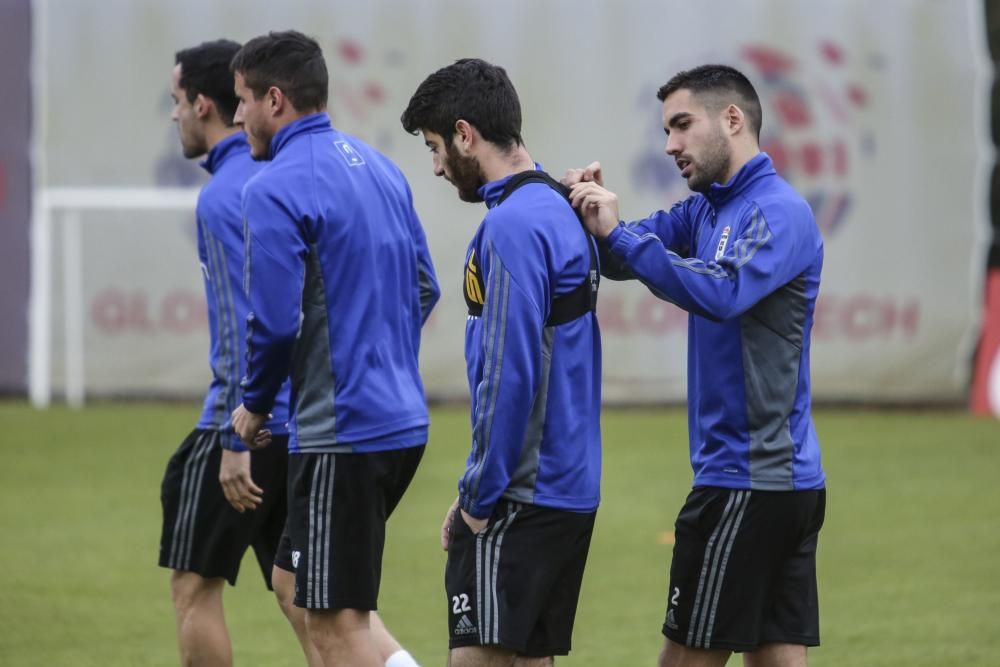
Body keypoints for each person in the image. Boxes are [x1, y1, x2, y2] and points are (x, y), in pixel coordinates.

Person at [566, 64, 826, 667]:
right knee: (775, 656)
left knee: (683, 658)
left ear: (732, 118)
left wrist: (621, 239)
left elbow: (722, 291)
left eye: (682, 125)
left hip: (747, 481)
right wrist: (580, 204)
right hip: (775, 483)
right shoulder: (704, 211)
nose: (669, 144)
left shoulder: (778, 212)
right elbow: (625, 251)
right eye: (666, 129)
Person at [229, 31, 439, 667]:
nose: (237, 116)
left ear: (275, 100)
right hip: (401, 419)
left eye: (241, 100)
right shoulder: (381, 168)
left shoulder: (271, 187)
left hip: (342, 433)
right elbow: (424, 287)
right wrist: (377, 353)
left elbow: (273, 323)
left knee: (335, 627)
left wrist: (254, 409)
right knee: (295, 583)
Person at [401, 58, 602, 667]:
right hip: (567, 491)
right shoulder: (559, 208)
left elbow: (510, 374)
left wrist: (478, 498)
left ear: (466, 135)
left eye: (436, 147)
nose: (435, 165)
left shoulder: (512, 226)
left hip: (520, 494)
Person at [158, 38, 294, 667]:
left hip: (241, 423)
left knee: (193, 587)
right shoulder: (284, 175)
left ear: (206, 105)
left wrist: (238, 432)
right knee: (308, 600)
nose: (175, 115)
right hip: (307, 424)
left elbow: (251, 329)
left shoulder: (224, 195)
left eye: (178, 101)